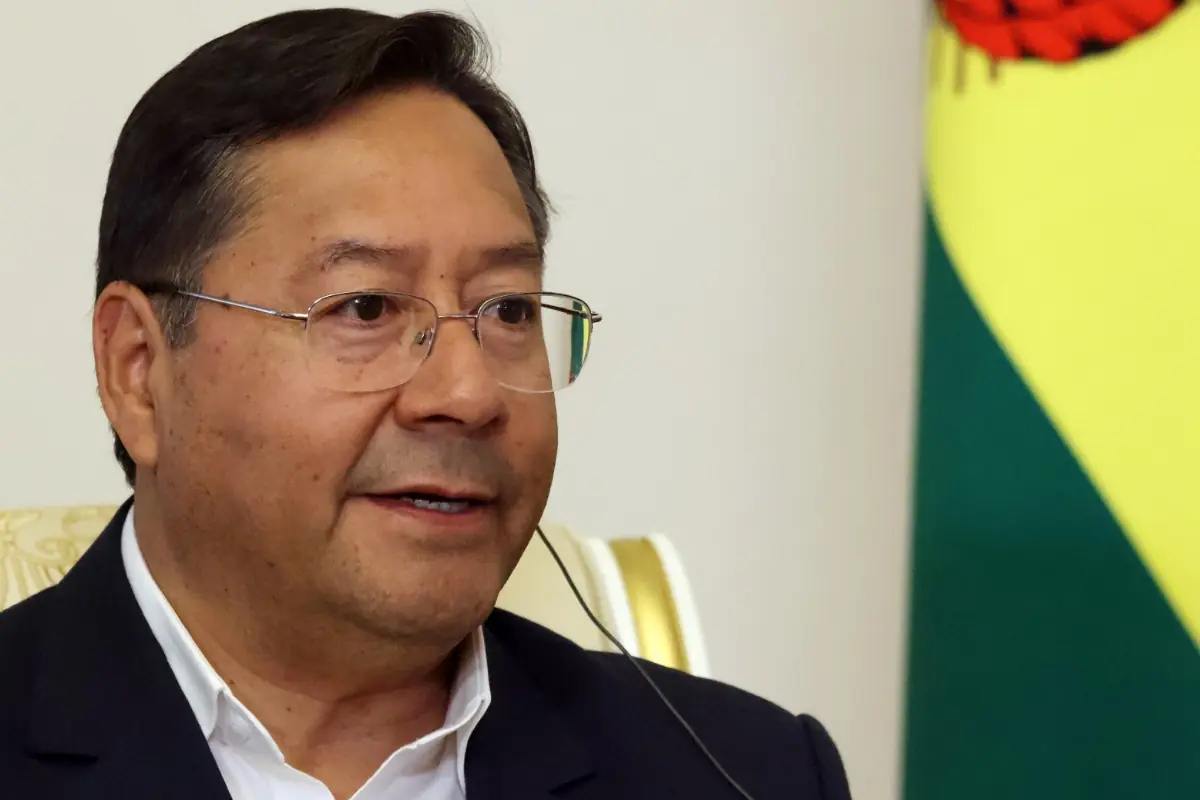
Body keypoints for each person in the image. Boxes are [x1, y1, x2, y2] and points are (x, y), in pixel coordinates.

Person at [0, 9, 850, 800]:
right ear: (139, 369)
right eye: (365, 307)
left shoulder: (747, 773)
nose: (468, 393)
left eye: (507, 310)